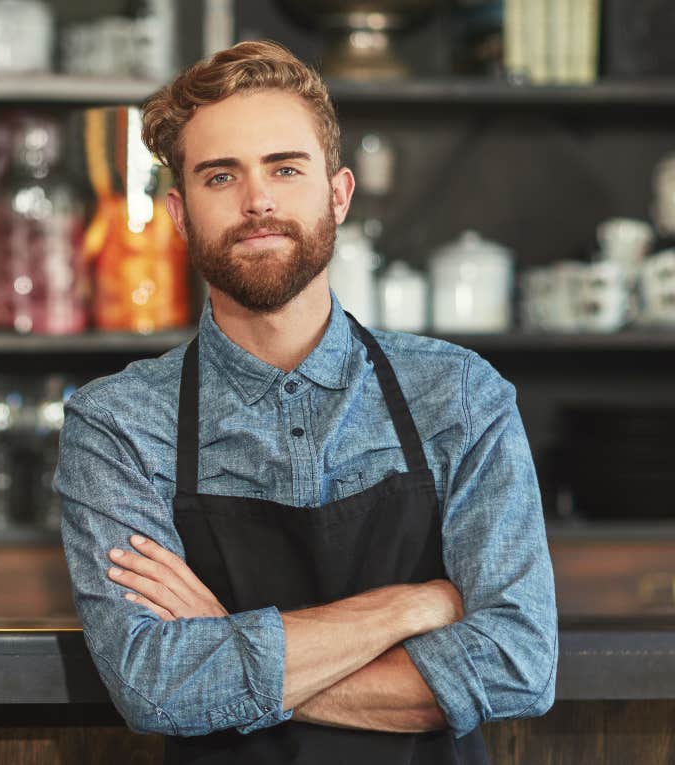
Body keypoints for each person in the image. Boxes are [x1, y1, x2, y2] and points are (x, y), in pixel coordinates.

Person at [55, 40, 557, 764]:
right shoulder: (118, 424)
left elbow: (518, 663)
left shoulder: (460, 394)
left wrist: (224, 642)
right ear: (180, 214)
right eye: (220, 175)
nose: (257, 200)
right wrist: (413, 605)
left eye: (285, 168)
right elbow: (155, 688)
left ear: (339, 194)